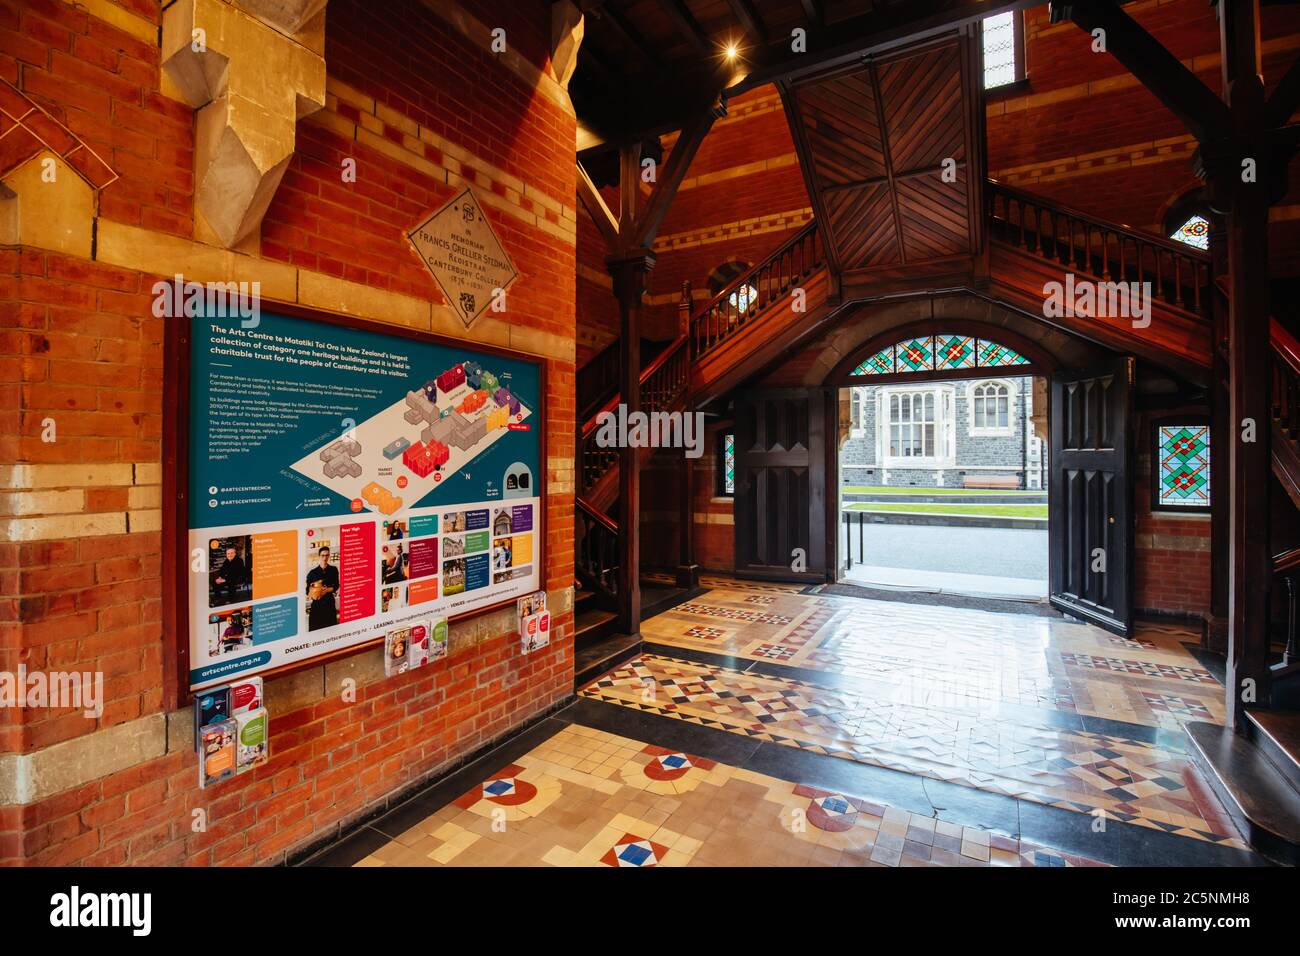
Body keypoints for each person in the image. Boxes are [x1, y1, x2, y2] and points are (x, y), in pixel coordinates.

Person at [305, 546, 340, 631]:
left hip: (329, 604)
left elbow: (336, 585)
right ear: (319, 556)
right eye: (323, 555)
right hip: (317, 606)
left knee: (331, 630)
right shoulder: (312, 573)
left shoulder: (333, 570)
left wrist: (327, 590)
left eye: (327, 555)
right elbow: (307, 591)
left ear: (329, 556)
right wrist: (314, 592)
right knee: (316, 630)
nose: (325, 558)